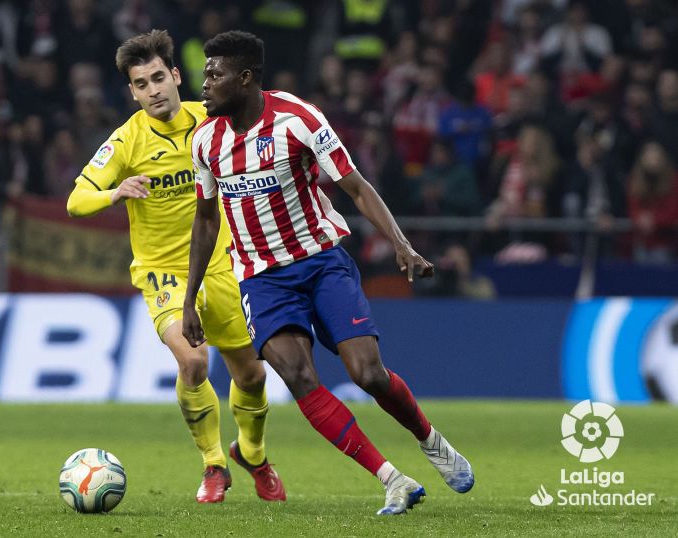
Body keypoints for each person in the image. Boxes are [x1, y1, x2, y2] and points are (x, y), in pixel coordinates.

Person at [183, 31, 474, 516]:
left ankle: (430, 441)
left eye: (215, 74)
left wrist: (402, 245)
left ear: (247, 77)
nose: (205, 83)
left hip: (320, 263)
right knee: (298, 376)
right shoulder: (205, 142)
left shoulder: (298, 120)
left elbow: (356, 188)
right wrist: (191, 297)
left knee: (368, 374)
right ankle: (392, 480)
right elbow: (207, 219)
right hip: (261, 278)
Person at [66, 30, 285, 504]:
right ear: (132, 91)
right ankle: (213, 465)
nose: (153, 91)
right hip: (163, 271)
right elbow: (76, 200)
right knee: (192, 360)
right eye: (141, 84)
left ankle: (254, 453)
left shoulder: (210, 120)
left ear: (177, 76)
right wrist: (115, 192)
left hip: (224, 265)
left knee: (252, 376)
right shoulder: (126, 140)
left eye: (159, 78)